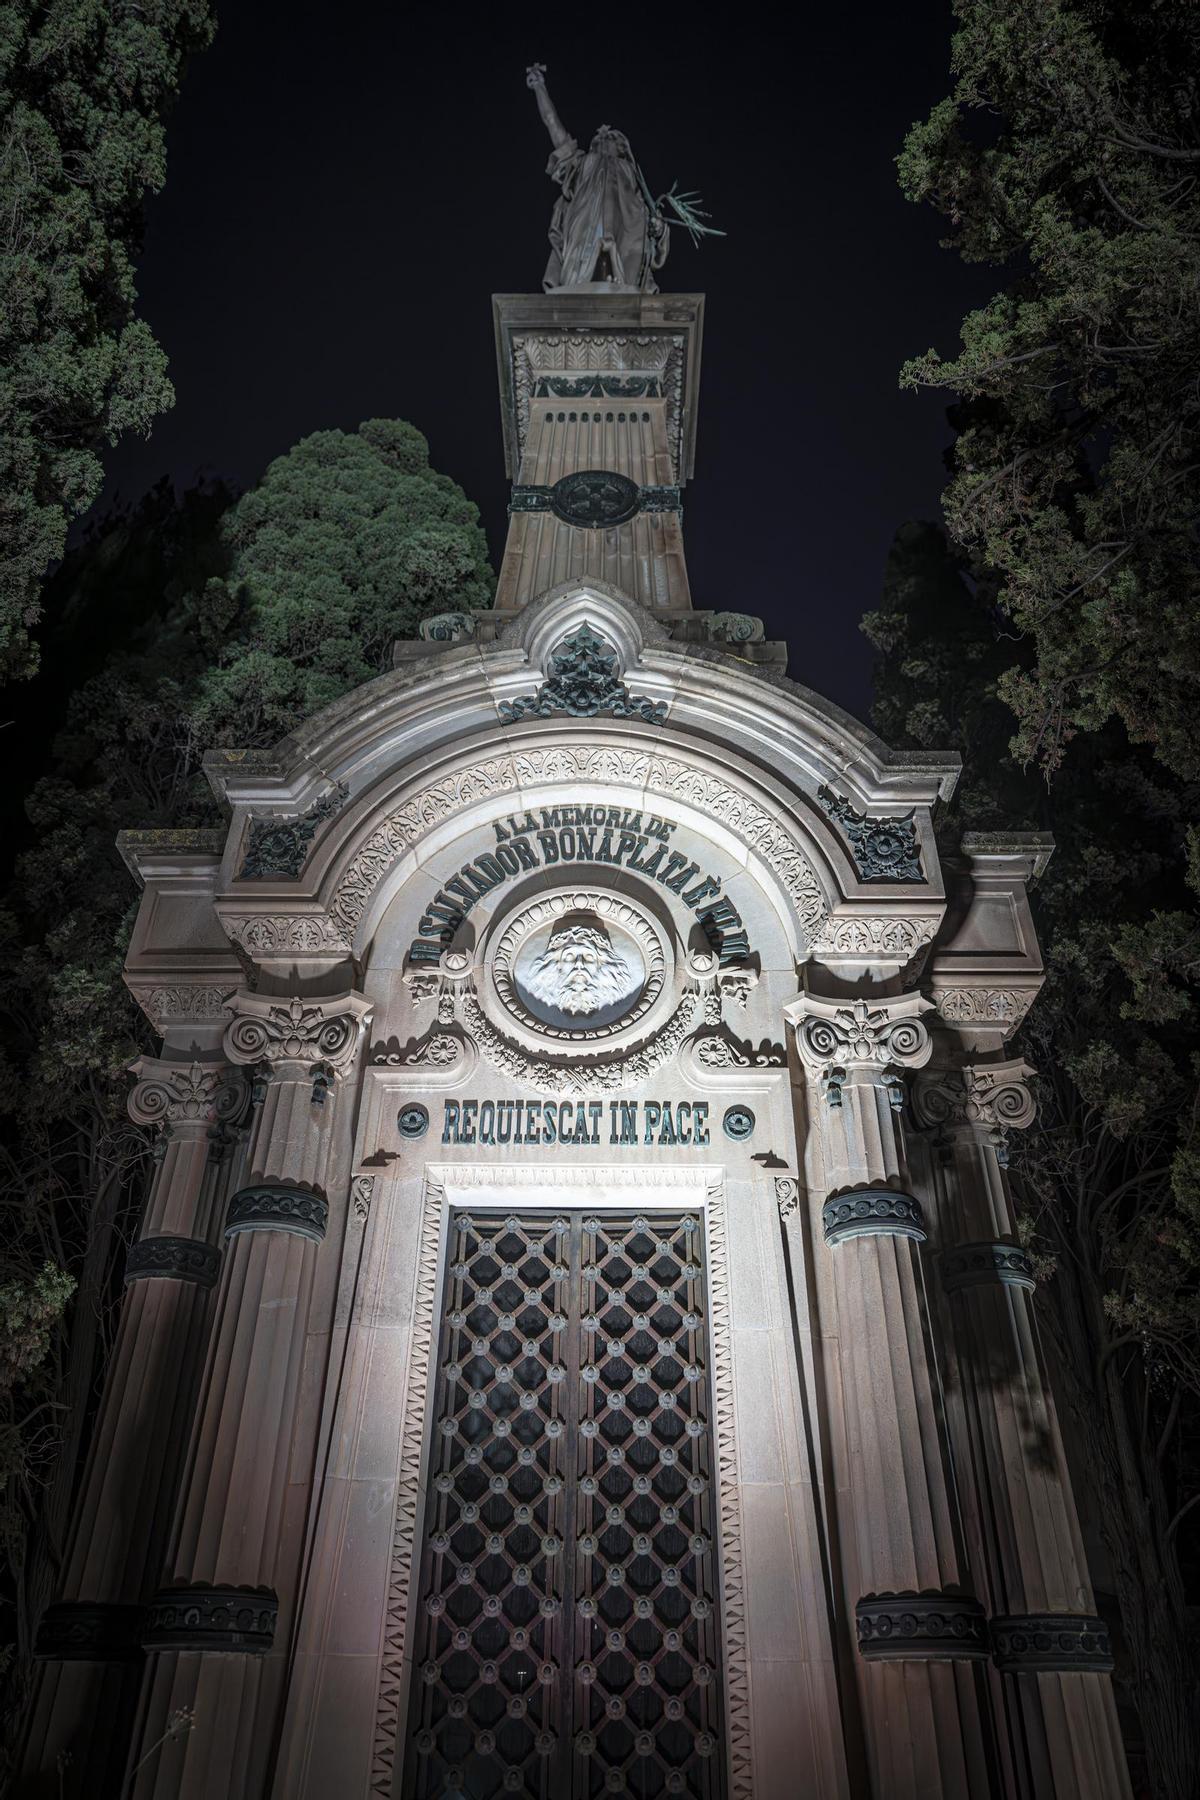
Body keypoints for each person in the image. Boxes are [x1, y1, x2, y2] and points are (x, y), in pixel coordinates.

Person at [526, 64, 669, 293]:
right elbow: (553, 126)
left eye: (612, 138)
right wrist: (539, 87)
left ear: (623, 149)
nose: (605, 138)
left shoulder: (629, 175)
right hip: (582, 237)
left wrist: (659, 228)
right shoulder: (582, 164)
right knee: (577, 285)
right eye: (601, 138)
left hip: (625, 244)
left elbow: (648, 219)